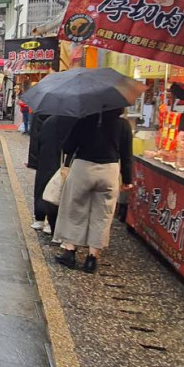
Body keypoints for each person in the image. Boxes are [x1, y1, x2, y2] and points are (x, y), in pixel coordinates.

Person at [54, 108, 134, 273]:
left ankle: (70, 252)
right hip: (109, 170)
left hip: (83, 168)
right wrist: (127, 180)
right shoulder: (123, 125)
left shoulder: (84, 120)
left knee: (74, 209)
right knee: (103, 215)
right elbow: (127, 155)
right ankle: (92, 258)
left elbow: (67, 146)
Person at [30, 113, 77, 235]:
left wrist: (33, 161)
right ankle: (53, 223)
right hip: (65, 157)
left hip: (46, 153)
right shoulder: (75, 116)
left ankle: (40, 218)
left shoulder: (44, 114)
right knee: (61, 187)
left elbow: (35, 137)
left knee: (44, 183)